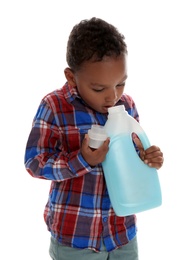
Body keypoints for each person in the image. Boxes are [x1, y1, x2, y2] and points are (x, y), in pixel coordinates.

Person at [24, 17, 164, 260]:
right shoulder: (55, 106)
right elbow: (34, 162)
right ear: (71, 77)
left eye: (120, 84)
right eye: (99, 89)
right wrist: (82, 159)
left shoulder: (127, 105)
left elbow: (134, 157)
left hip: (122, 234)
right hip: (76, 239)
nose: (113, 97)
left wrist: (147, 158)